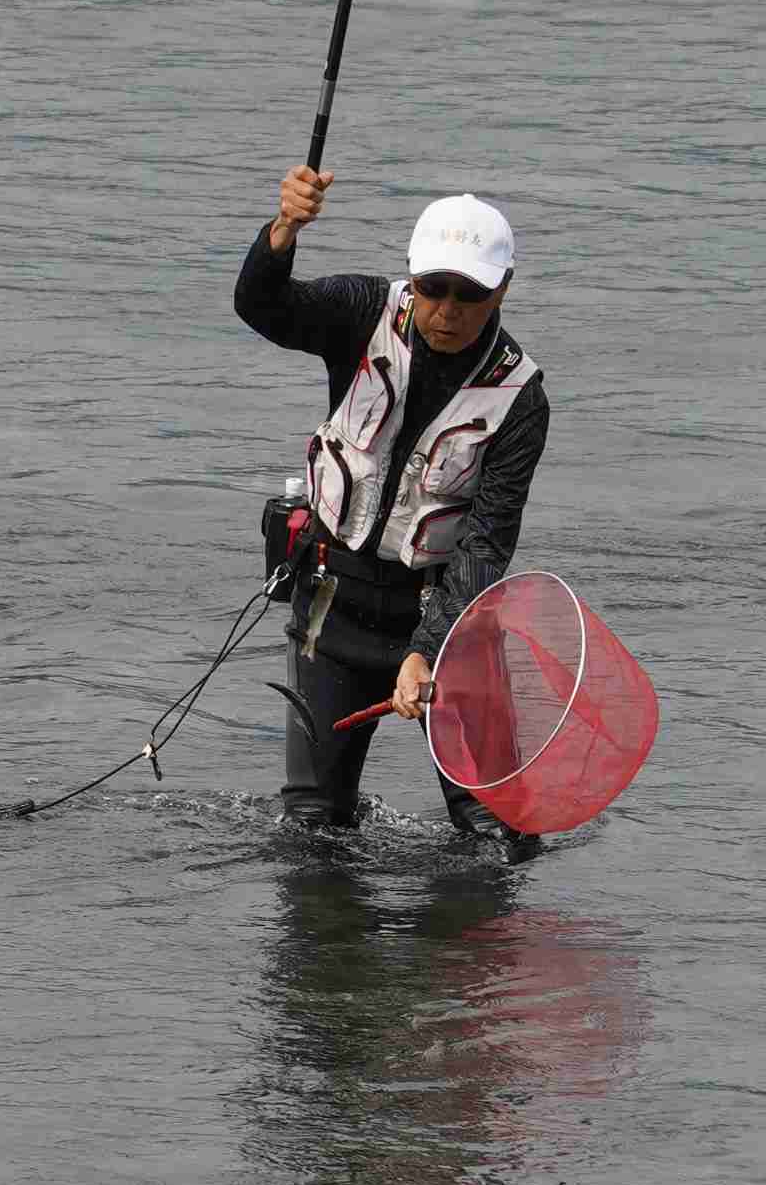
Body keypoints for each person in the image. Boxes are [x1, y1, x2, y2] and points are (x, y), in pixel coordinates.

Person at [234, 163, 551, 850]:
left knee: (498, 839)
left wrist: (427, 650)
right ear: (412, 276)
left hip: (447, 623)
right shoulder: (359, 311)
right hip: (333, 609)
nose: (448, 309)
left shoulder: (521, 401)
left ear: (503, 289)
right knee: (314, 832)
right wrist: (283, 230)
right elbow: (262, 307)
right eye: (434, 288)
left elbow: (486, 545)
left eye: (470, 294)